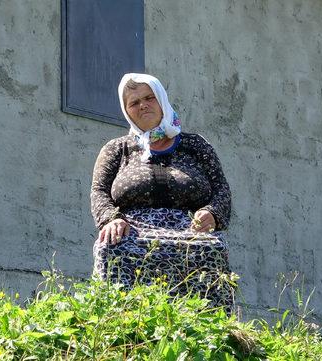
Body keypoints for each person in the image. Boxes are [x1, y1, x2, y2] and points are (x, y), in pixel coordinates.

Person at [90, 73, 235, 309]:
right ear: (127, 110)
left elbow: (221, 189)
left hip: (192, 234)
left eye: (149, 98)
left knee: (213, 249)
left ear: (161, 100)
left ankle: (208, 330)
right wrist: (110, 219)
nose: (143, 105)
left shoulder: (195, 145)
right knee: (110, 247)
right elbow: (99, 191)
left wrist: (212, 213)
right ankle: (122, 327)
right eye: (134, 103)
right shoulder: (118, 149)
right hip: (133, 234)